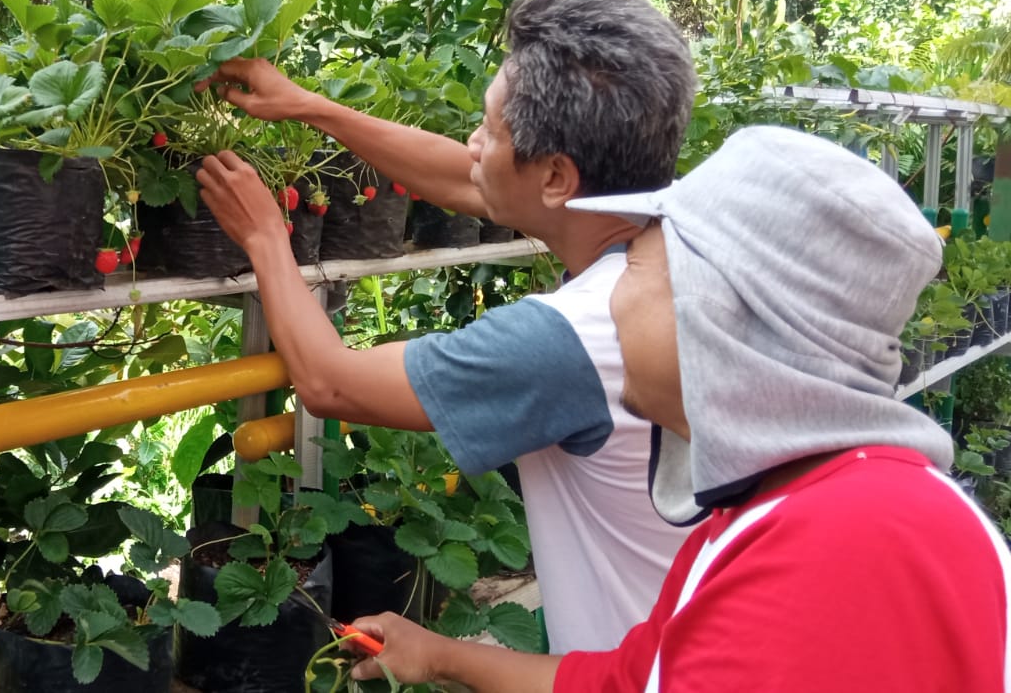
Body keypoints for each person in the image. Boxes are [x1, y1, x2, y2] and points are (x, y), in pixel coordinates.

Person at [343, 126, 1011, 691]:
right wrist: (437, 654)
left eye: (633, 262)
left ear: (713, 311)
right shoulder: (819, 511)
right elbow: (630, 677)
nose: (609, 297)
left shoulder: (814, 563)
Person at [194, 0, 697, 652]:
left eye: (490, 129)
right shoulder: (681, 234)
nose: (472, 142)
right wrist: (310, 107)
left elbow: (330, 383)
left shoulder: (572, 341)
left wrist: (264, 237)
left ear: (556, 178)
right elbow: (468, 179)